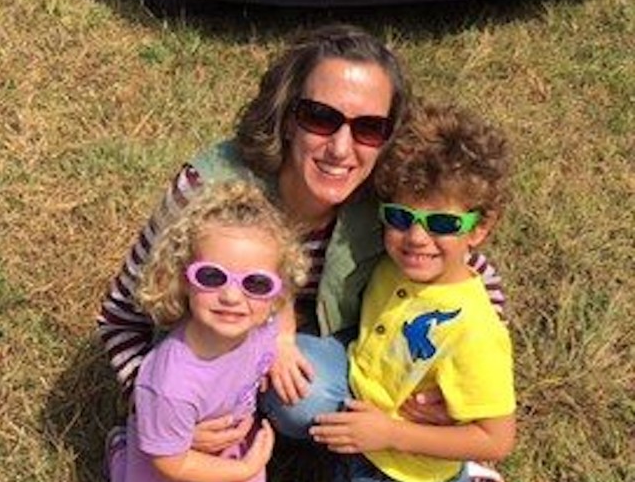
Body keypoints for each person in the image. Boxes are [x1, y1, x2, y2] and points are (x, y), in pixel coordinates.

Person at [97, 24, 505, 450]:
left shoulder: (388, 202)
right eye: (321, 118)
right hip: (207, 362)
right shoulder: (206, 191)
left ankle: (396, 452)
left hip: (317, 359)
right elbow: (121, 318)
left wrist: (449, 380)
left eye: (369, 128)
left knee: (305, 398)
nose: (342, 149)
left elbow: (474, 278)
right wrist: (154, 410)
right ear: (288, 117)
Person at [303, 102, 522, 482]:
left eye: (444, 223)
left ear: (481, 228)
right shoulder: (384, 268)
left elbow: (497, 438)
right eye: (401, 216)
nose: (417, 237)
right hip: (358, 470)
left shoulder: (475, 329)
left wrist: (391, 434)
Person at [102, 182, 307, 482]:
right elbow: (171, 463)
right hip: (166, 448)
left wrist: (285, 340)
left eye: (256, 283)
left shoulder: (263, 322)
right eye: (212, 277)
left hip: (221, 440)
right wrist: (244, 465)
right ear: (183, 276)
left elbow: (283, 307)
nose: (233, 297)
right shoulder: (170, 380)